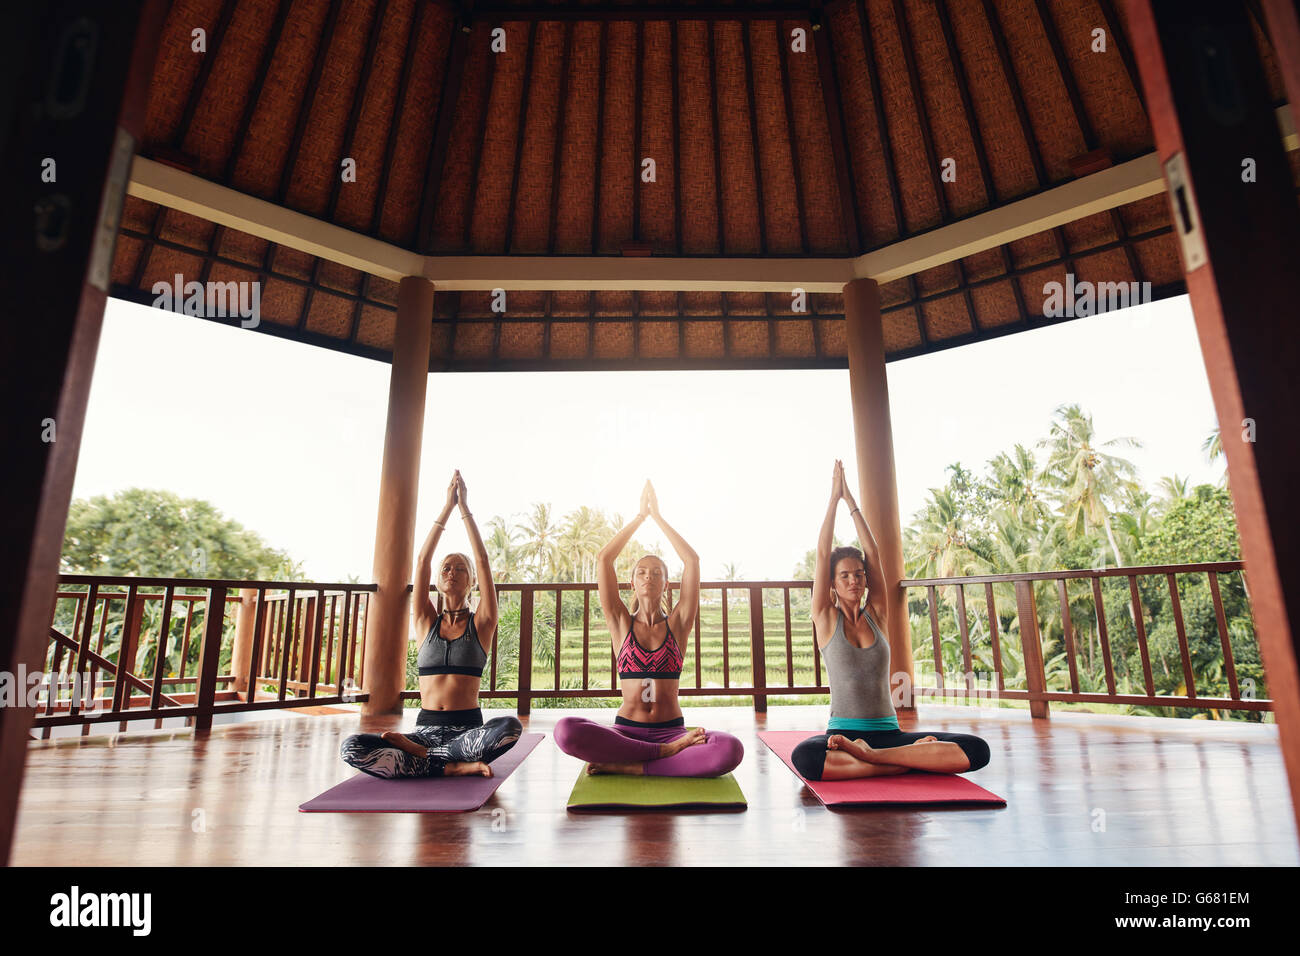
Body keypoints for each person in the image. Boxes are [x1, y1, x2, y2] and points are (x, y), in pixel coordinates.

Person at [790, 460, 990, 781]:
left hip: (889, 732)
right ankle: (907, 762)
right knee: (806, 757)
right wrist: (834, 498)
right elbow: (821, 551)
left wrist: (852, 502)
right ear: (832, 583)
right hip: (843, 734)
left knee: (977, 748)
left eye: (859, 574)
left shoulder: (878, 615)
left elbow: (874, 553)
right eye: (845, 575)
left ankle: (874, 758)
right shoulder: (826, 619)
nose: (854, 580)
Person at [552, 481, 743, 777]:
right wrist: (641, 517)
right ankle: (663, 758)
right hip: (626, 733)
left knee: (730, 749)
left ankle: (633, 765)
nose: (648, 577)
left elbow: (691, 560)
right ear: (632, 583)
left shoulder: (678, 624)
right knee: (565, 731)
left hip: (671, 731)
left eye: (657, 573)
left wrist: (658, 517)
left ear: (666, 584)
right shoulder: (620, 622)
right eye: (641, 572)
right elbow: (605, 558)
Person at [340, 471, 521, 778]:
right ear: (437, 581)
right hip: (423, 731)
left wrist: (464, 509)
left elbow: (484, 559)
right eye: (446, 568)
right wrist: (446, 507)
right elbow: (422, 560)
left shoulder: (483, 622)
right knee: (352, 746)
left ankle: (428, 761)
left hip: (466, 735)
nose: (451, 572)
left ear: (472, 581)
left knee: (509, 728)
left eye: (460, 569)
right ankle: (445, 763)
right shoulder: (425, 621)